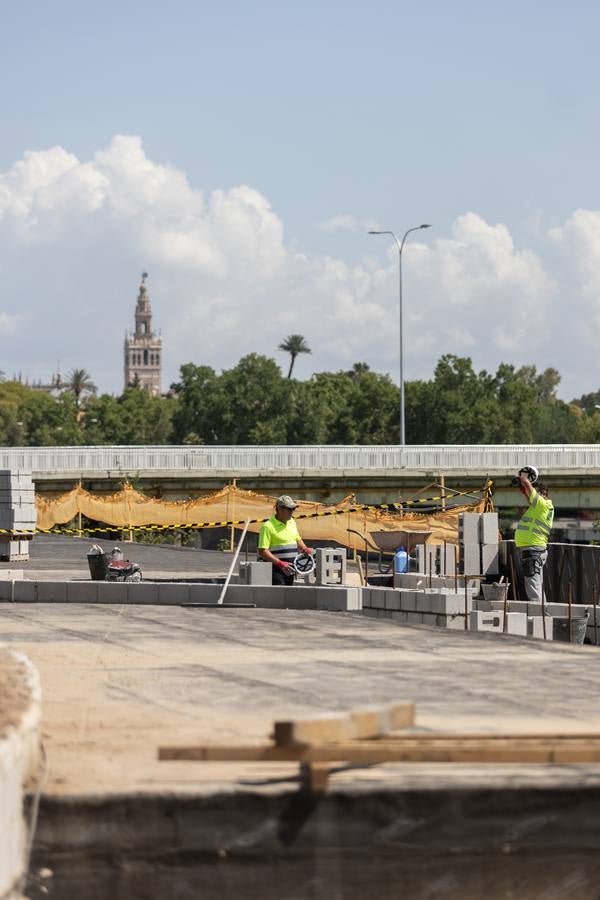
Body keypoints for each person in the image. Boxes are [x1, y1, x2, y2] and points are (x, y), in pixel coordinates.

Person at [514, 469, 554, 603]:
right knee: (536, 584)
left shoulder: (541, 504)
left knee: (533, 586)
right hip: (535, 550)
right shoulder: (542, 507)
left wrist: (523, 479)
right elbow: (529, 495)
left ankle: (539, 617)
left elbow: (529, 489)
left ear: (542, 494)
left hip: (533, 551)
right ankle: (542, 615)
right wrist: (523, 488)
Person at [258, 495, 313, 586]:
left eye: (293, 509)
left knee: (287, 596)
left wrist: (304, 548)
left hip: (290, 569)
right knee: (278, 596)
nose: (292, 512)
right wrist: (280, 563)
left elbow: (297, 539)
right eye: (289, 509)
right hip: (275, 571)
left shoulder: (292, 522)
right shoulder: (268, 526)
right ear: (279, 509)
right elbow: (262, 551)